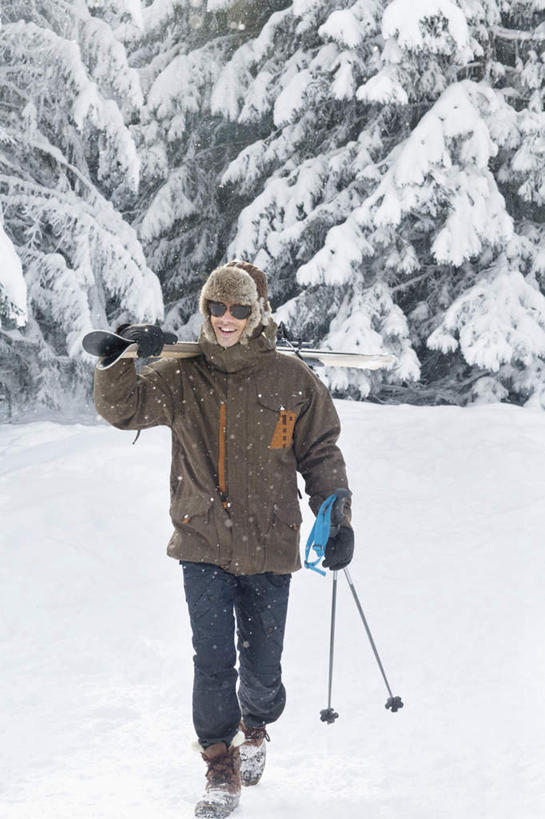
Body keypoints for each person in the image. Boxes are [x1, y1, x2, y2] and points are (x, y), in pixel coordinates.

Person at [93, 260, 354, 818]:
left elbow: (321, 452)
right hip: (203, 543)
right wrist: (123, 358)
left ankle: (254, 725)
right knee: (212, 662)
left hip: (270, 545)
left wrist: (337, 517)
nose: (226, 318)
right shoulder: (182, 376)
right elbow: (123, 408)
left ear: (256, 312)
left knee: (262, 672)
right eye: (216, 307)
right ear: (206, 311)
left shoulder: (290, 379)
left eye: (238, 308)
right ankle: (219, 762)